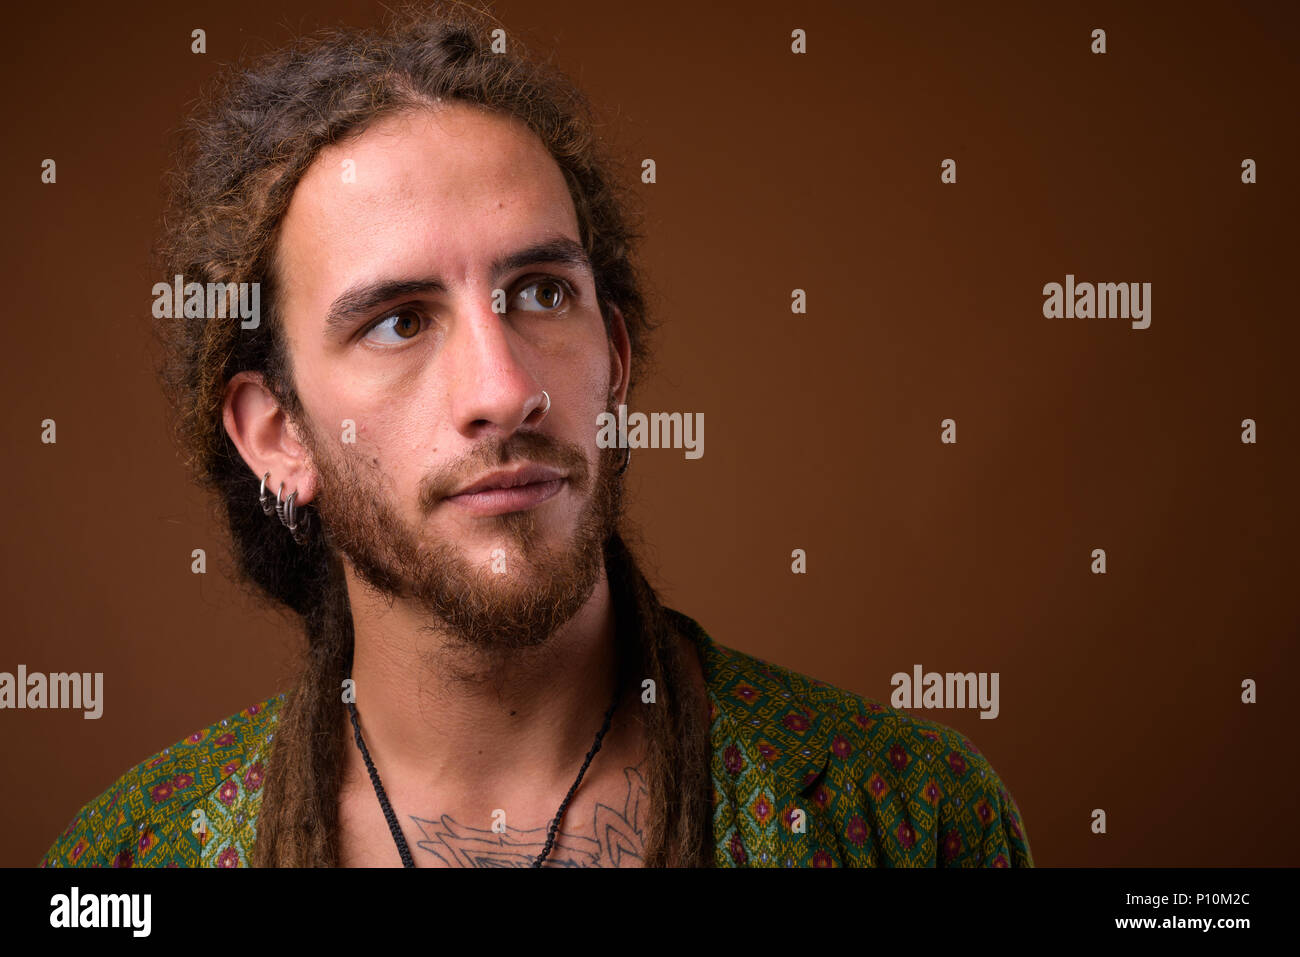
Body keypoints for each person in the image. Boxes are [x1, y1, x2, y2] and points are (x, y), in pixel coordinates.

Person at [40, 2, 1031, 868]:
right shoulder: (129, 862)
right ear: (276, 436)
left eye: (540, 294)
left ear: (615, 357)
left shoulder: (910, 822)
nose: (503, 389)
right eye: (399, 320)